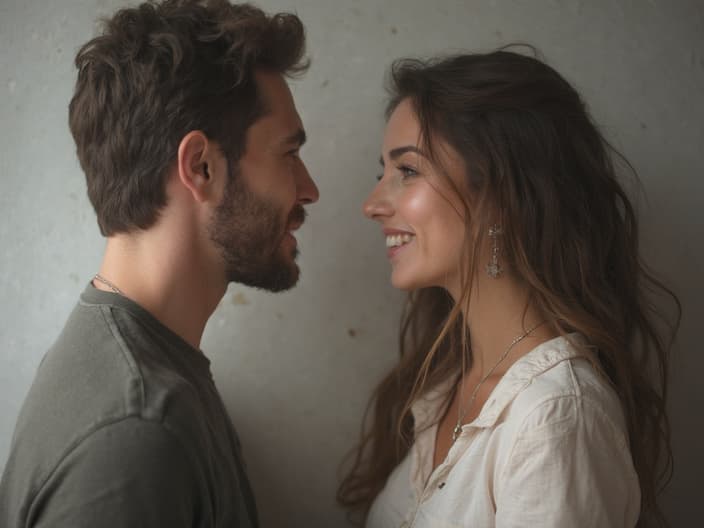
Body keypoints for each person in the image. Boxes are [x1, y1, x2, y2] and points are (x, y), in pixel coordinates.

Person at [0, 1, 318, 526]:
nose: (310, 189)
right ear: (201, 167)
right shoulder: (138, 431)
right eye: (289, 153)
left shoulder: (140, 373)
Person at [338, 49, 680, 527]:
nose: (373, 204)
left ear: (500, 193)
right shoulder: (447, 382)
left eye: (408, 171)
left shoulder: (553, 417)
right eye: (384, 173)